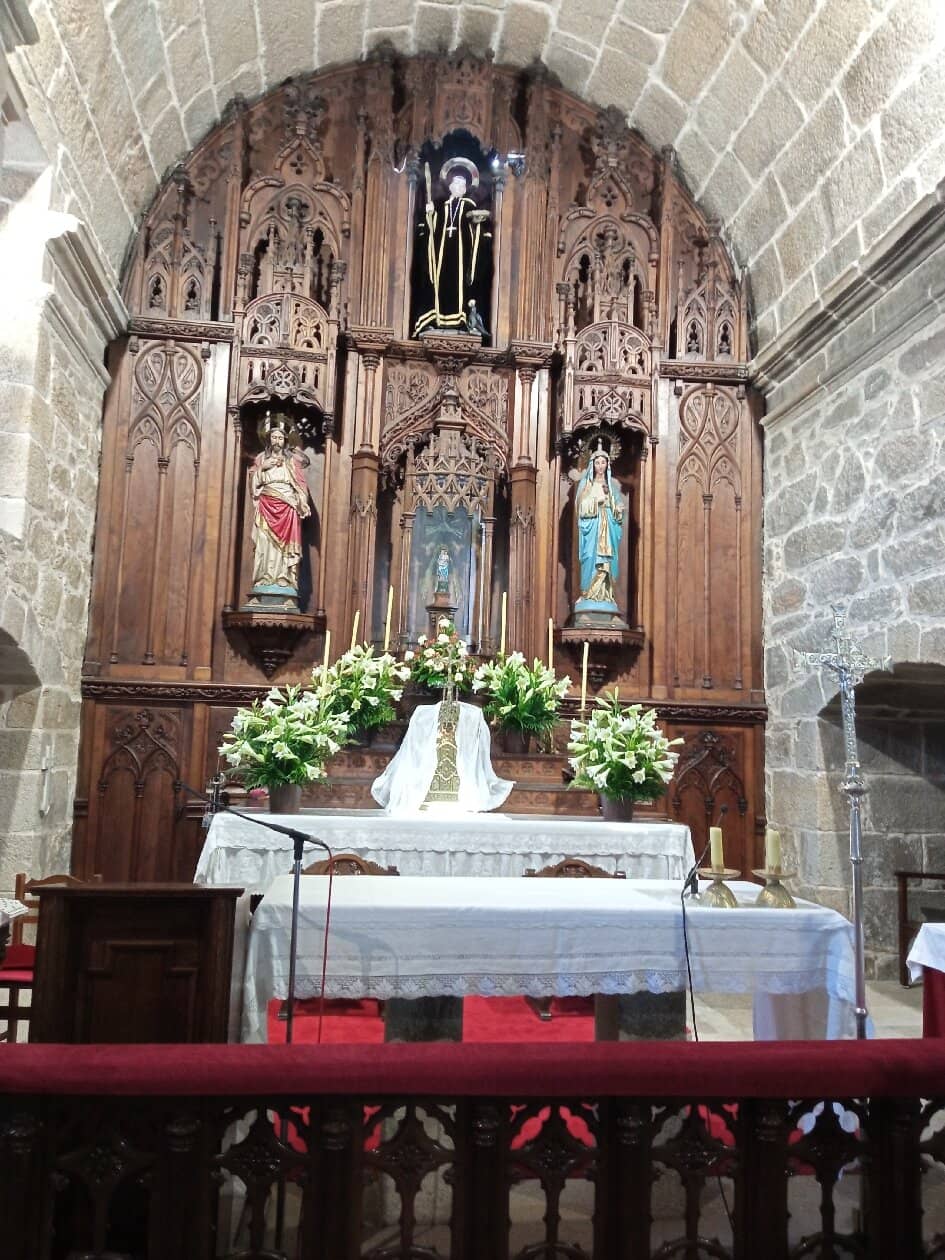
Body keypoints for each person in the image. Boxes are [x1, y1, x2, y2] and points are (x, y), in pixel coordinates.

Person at [413, 161, 490, 336]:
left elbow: (477, 231)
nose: (458, 187)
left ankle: (463, 321)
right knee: (438, 283)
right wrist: (429, 213)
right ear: (450, 187)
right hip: (442, 253)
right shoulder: (441, 207)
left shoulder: (469, 206)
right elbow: (431, 231)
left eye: (462, 185)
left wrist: (477, 227)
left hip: (460, 256)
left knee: (460, 285)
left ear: (465, 189)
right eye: (456, 184)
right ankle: (436, 319)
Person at [249, 420, 311, 598]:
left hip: (287, 506)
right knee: (264, 542)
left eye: (280, 438)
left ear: (285, 440)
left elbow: (300, 484)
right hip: (266, 503)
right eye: (274, 437)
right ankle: (264, 578)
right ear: (269, 440)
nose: (277, 441)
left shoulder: (292, 461)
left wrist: (301, 501)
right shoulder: (261, 459)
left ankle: (284, 578)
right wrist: (262, 469)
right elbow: (253, 483)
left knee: (284, 548)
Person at [576, 447, 624, 607]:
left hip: (607, 531)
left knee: (605, 563)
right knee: (590, 558)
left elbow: (617, 509)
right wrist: (596, 502)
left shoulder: (611, 488)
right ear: (593, 465)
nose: (601, 465)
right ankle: (588, 594)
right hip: (593, 531)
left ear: (607, 465)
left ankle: (605, 595)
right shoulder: (587, 487)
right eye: (597, 462)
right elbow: (581, 509)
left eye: (603, 462)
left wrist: (618, 511)